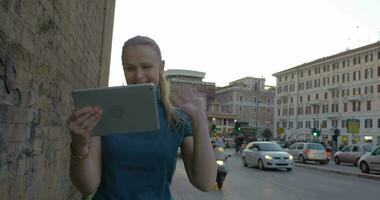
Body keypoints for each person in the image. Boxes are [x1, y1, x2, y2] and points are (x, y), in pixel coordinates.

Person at [67, 35, 217, 199]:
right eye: (129, 68)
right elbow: (87, 186)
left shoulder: (177, 119)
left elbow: (205, 182)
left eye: (146, 66)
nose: (138, 76)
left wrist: (200, 120)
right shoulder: (104, 111)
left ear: (161, 67)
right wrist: (79, 145)